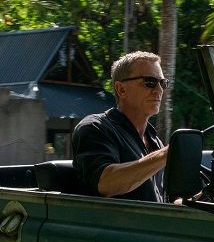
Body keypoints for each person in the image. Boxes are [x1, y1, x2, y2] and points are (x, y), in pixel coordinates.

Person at [72, 51, 170, 201]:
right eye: (149, 82)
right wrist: (164, 155)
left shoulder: (154, 140)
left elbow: (164, 201)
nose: (159, 90)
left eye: (163, 83)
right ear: (121, 89)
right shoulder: (95, 127)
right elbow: (106, 184)